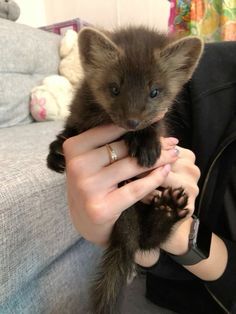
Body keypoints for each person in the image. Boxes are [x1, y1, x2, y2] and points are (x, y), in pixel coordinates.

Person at [62, 41, 236, 314]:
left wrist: (183, 236)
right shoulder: (210, 75)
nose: (132, 117)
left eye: (154, 93)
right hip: (161, 275)